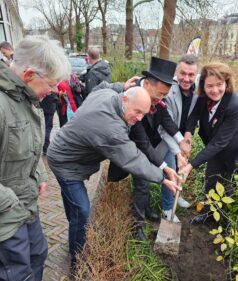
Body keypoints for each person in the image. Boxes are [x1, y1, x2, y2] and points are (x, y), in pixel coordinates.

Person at [47, 86, 181, 267]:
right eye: (137, 111)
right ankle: (77, 259)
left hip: (66, 152)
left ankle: (76, 229)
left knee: (75, 205)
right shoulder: (111, 129)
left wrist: (122, 86)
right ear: (125, 101)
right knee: (82, 210)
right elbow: (133, 158)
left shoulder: (109, 95)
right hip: (66, 164)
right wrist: (162, 178)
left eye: (144, 113)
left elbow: (102, 86)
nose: (140, 118)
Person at [0, 35, 70, 281]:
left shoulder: (26, 99)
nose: (52, 90)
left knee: (38, 253)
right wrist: (9, 203)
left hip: (26, 204)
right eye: (50, 84)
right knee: (14, 279)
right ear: (29, 74)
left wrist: (39, 172)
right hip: (6, 215)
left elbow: (29, 146)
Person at [103, 57, 190, 240]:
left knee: (148, 181)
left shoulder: (158, 99)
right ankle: (138, 225)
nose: (160, 99)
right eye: (159, 94)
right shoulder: (134, 99)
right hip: (135, 148)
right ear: (148, 84)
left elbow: (166, 121)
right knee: (141, 184)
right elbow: (142, 143)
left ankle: (146, 208)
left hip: (150, 145)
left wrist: (181, 142)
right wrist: (165, 167)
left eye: (164, 96)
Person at [180, 62, 238, 218]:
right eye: (210, 86)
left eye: (219, 84)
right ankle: (209, 215)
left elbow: (219, 142)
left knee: (231, 187)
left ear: (227, 83)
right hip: (218, 148)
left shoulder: (236, 105)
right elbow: (194, 116)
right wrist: (188, 134)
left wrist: (190, 166)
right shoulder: (203, 97)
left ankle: (226, 223)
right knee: (211, 179)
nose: (215, 90)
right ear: (203, 86)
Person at [158, 54, 199, 218]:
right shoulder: (168, 90)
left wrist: (187, 138)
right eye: (183, 73)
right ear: (177, 72)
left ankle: (177, 195)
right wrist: (178, 149)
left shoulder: (198, 90)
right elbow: (163, 126)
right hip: (166, 139)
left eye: (191, 75)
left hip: (183, 138)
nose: (186, 79)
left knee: (181, 169)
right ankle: (167, 209)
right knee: (172, 171)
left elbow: (193, 117)